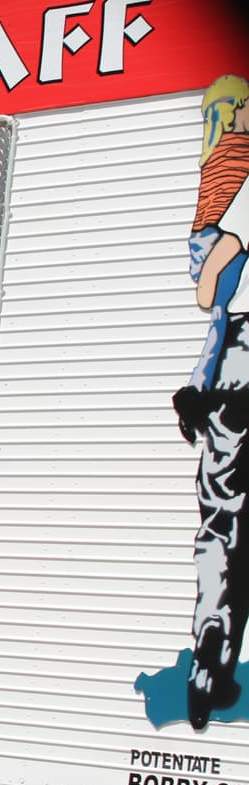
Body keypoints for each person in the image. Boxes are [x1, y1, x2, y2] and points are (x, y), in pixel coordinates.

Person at [172, 74, 249, 730]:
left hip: (238, 372)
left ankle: (210, 652)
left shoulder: (237, 183)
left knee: (223, 521)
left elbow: (209, 290)